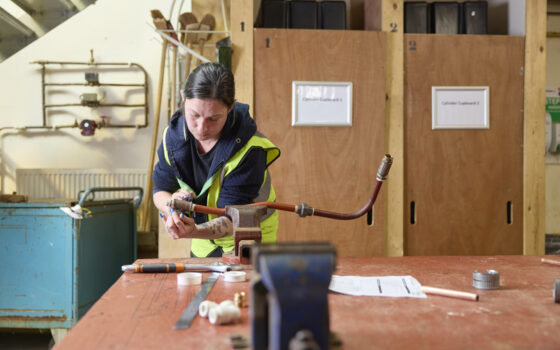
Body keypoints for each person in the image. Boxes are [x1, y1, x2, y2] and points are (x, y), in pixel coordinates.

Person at [152, 62, 280, 258]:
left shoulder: (250, 149)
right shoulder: (172, 137)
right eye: (194, 115)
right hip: (203, 242)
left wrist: (191, 231)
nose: (201, 128)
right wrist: (172, 210)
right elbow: (160, 189)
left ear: (230, 108)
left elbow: (234, 218)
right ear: (183, 97)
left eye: (213, 119)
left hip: (247, 238)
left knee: (241, 289)